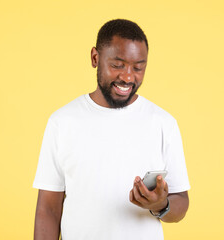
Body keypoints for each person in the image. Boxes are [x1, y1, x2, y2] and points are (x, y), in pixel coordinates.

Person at [33, 19, 190, 240]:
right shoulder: (62, 121)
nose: (127, 77)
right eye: (117, 65)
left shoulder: (163, 123)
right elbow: (48, 209)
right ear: (95, 58)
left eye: (138, 67)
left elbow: (181, 203)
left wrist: (161, 204)